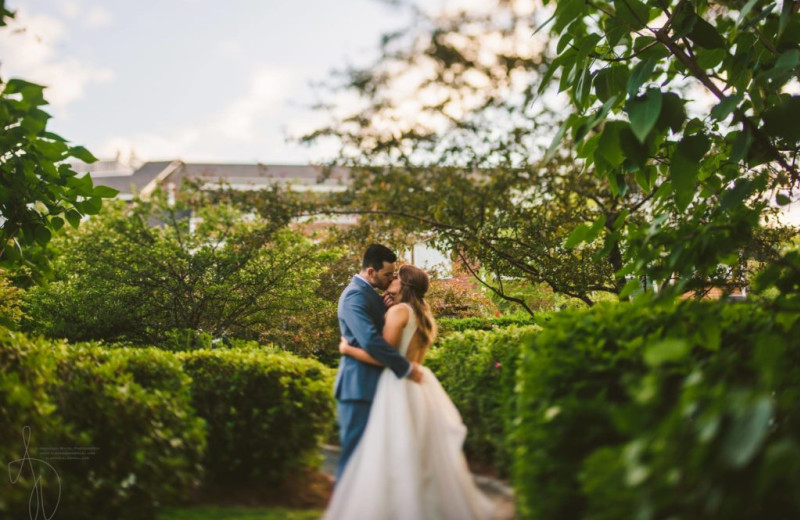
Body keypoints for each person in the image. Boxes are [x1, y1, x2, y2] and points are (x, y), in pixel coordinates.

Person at [324, 263, 495, 520]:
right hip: (420, 387)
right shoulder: (421, 313)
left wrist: (347, 350)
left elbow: (384, 356)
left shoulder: (398, 313)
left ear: (402, 285)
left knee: (392, 452)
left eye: (396, 277)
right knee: (418, 453)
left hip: (396, 387)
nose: (391, 279)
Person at [333, 244, 425, 482]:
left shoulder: (372, 296)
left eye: (394, 275)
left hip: (376, 387)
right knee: (354, 457)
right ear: (371, 272)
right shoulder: (354, 295)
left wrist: (388, 312)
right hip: (358, 388)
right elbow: (371, 341)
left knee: (373, 461)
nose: (391, 279)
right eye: (387, 275)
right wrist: (404, 367)